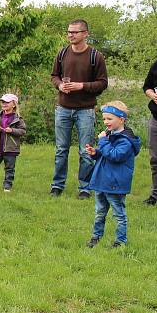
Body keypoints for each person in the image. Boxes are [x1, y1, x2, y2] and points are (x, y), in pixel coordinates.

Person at [49, 19, 108, 199]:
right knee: (61, 149)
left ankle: (85, 188)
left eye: (74, 32)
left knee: (85, 150)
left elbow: (103, 83)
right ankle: (57, 185)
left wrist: (81, 86)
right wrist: (59, 85)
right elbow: (54, 76)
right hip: (63, 108)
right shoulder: (62, 53)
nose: (70, 35)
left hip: (85, 110)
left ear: (85, 34)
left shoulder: (95, 56)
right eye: (69, 32)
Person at [84, 101, 141, 248]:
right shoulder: (110, 135)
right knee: (99, 212)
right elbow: (106, 154)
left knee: (118, 214)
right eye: (104, 118)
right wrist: (95, 153)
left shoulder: (126, 140)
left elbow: (115, 156)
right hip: (102, 181)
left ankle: (120, 241)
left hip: (115, 183)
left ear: (121, 119)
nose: (105, 122)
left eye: (109, 119)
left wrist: (102, 141)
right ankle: (96, 237)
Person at [142, 59, 157, 205]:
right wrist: (152, 95)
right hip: (156, 120)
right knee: (155, 160)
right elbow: (147, 86)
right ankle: (155, 196)